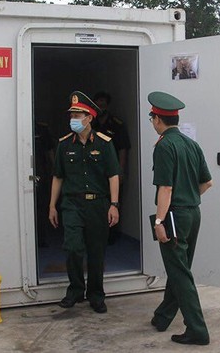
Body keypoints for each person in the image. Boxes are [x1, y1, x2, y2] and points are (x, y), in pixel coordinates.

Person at [148, 91, 213, 346]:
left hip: (174, 216)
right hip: (192, 213)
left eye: (152, 118)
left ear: (157, 119)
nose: (152, 122)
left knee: (180, 273)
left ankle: (197, 329)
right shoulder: (191, 144)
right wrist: (188, 198)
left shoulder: (165, 145)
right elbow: (207, 183)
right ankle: (163, 316)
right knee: (179, 269)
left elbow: (165, 189)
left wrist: (159, 222)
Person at [49, 91, 120, 313]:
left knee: (96, 251)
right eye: (72, 115)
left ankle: (96, 295)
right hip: (72, 204)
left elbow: (113, 175)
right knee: (73, 247)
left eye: (78, 115)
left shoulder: (105, 143)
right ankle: (75, 290)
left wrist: (114, 205)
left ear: (89, 118)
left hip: (98, 205)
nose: (73, 119)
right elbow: (58, 176)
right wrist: (52, 205)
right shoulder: (64, 145)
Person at [92, 91, 131, 244]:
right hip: (95, 172)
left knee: (113, 203)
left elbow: (123, 149)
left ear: (107, 105)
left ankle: (111, 236)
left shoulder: (116, 124)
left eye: (103, 103)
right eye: (98, 103)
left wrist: (120, 171)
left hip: (112, 171)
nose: (101, 106)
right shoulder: (90, 123)